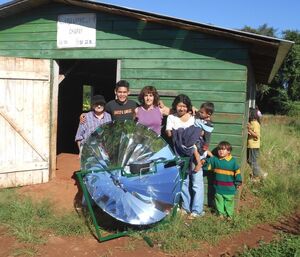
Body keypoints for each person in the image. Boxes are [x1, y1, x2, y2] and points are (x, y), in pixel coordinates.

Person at [166, 94, 204, 219]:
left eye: (184, 106)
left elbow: (202, 131)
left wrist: (181, 133)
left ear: (188, 107)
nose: (181, 108)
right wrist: (183, 134)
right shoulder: (171, 117)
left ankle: (197, 210)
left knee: (196, 183)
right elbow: (169, 133)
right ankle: (185, 207)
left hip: (195, 154)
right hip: (180, 154)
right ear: (175, 106)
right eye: (179, 106)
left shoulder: (194, 117)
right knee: (184, 182)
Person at [204, 141, 242, 219]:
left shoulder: (233, 161)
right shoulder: (215, 160)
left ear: (228, 151)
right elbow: (207, 165)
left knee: (229, 202)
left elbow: (237, 172)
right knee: (219, 201)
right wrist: (203, 161)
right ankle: (221, 214)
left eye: (223, 149)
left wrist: (238, 182)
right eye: (219, 149)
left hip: (229, 188)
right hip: (218, 187)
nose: (221, 151)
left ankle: (229, 215)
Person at [193, 102, 215, 172]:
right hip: (197, 140)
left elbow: (208, 138)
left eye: (202, 112)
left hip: (200, 144)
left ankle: (201, 162)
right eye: (200, 111)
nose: (200, 113)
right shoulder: (202, 118)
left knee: (195, 149)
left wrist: (204, 149)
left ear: (208, 114)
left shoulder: (208, 124)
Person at [247, 107, 266, 181]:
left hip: (253, 145)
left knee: (252, 161)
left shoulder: (255, 123)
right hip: (253, 145)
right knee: (251, 161)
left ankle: (259, 175)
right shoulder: (253, 123)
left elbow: (256, 135)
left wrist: (249, 130)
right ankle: (258, 175)